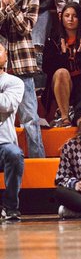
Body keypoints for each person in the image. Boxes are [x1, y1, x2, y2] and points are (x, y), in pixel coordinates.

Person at [0, 0, 41, 160]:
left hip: (23, 65)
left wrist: (10, 6)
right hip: (0, 69)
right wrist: (3, 6)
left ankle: (38, 165)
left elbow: (25, 28)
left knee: (30, 119)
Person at [0, 45, 24, 221]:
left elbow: (6, 104)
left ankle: (11, 207)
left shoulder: (14, 82)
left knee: (14, 154)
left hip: (3, 145)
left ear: (5, 55)